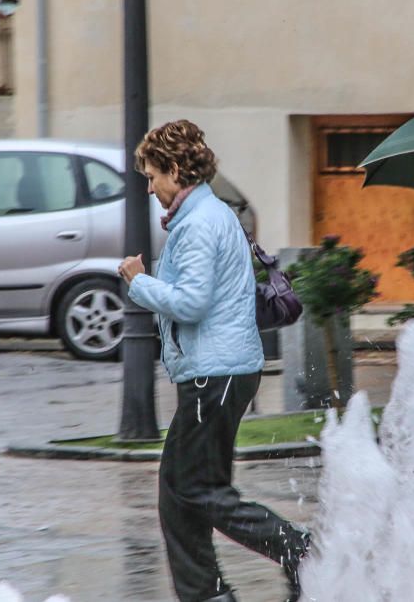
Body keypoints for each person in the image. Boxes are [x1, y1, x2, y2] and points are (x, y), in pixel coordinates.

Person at [118, 120, 309, 602]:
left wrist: (138, 282)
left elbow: (192, 302)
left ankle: (301, 551)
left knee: (199, 489)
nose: (149, 186)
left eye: (152, 175)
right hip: (217, 373)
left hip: (216, 375)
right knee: (178, 491)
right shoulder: (202, 216)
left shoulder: (202, 222)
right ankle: (205, 592)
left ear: (176, 170)